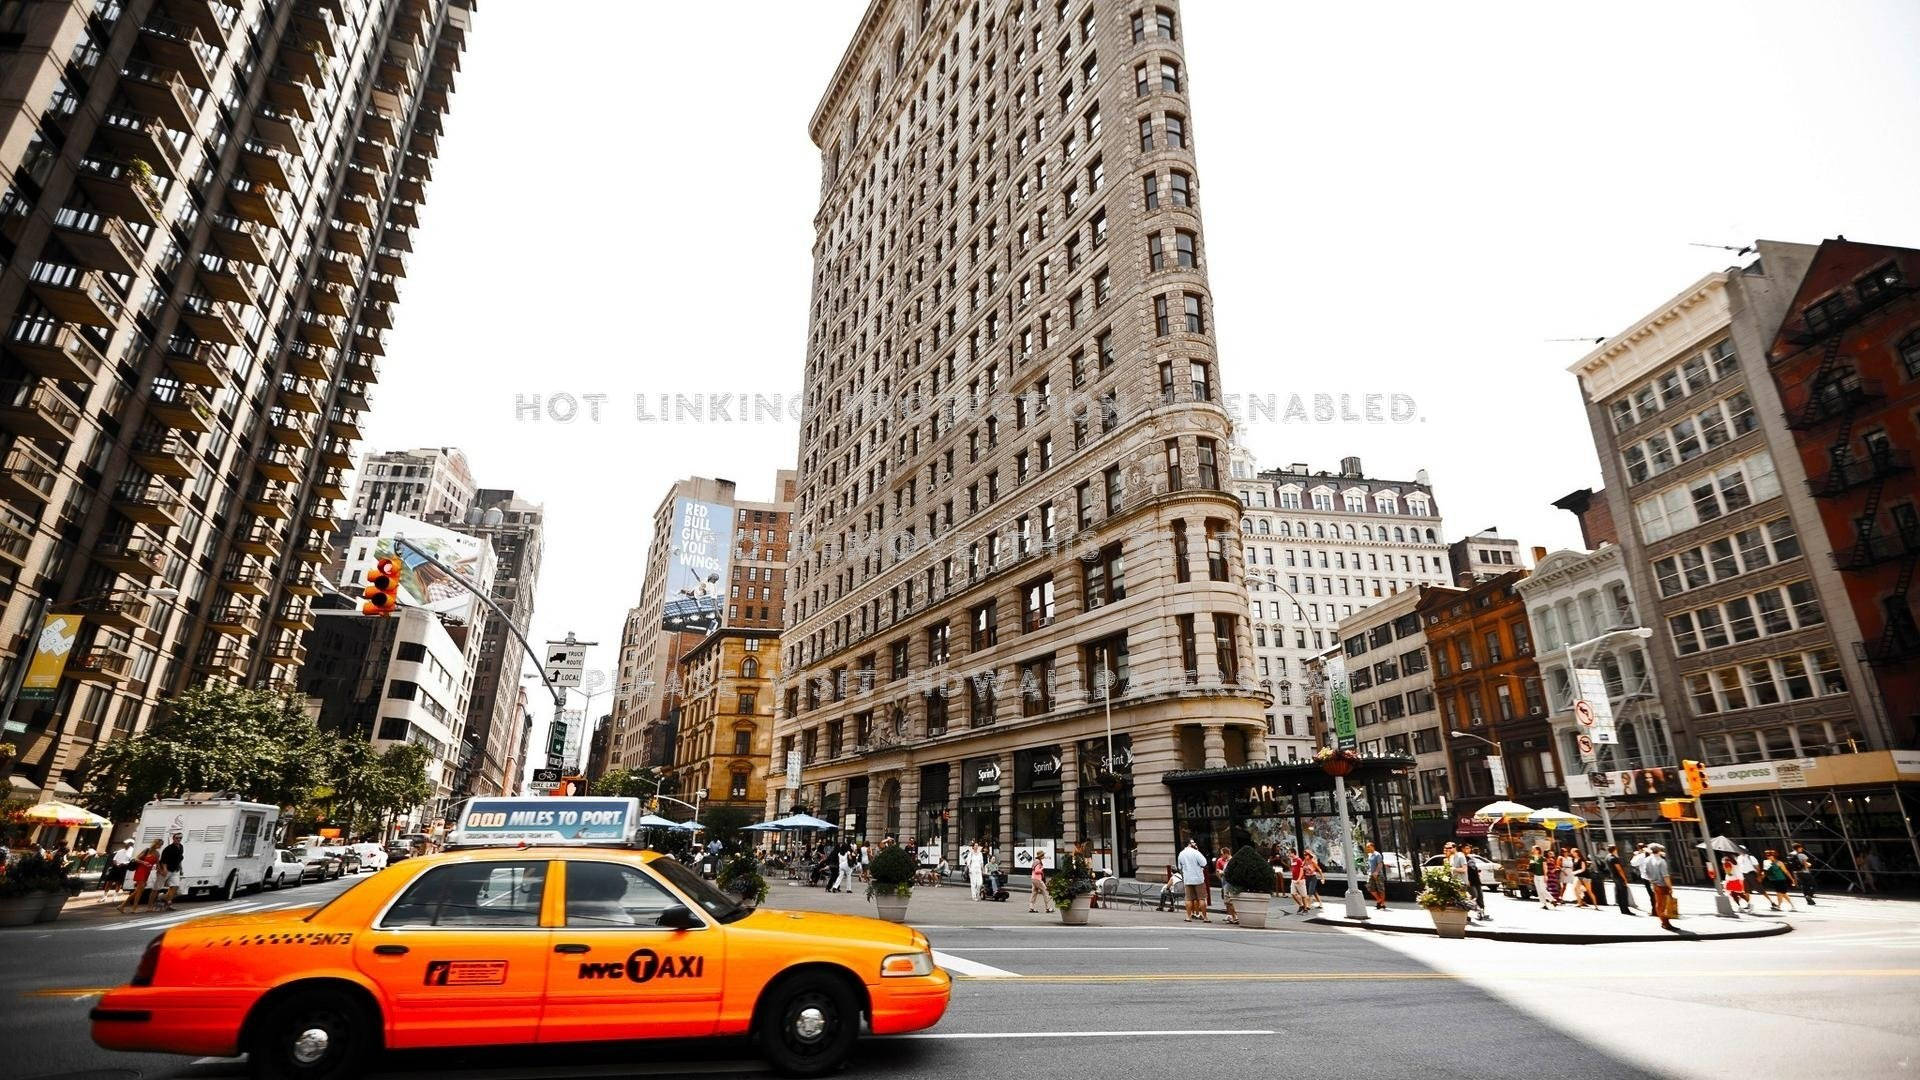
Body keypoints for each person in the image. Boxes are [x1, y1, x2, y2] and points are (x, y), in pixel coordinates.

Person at [119, 841, 161, 914]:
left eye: (161, 845)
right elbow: (136, 859)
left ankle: (122, 906)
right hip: (140, 870)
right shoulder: (147, 850)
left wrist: (159, 870)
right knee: (139, 891)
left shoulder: (157, 853)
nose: (160, 846)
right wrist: (144, 862)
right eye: (159, 844)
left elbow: (157, 864)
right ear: (155, 844)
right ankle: (134, 908)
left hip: (147, 872)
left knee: (138, 891)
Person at [1644, 842, 1676, 931]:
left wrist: (1652, 881)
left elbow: (1645, 874)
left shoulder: (1647, 860)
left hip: (1654, 885)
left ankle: (1664, 922)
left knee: (1659, 904)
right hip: (1663, 885)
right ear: (1659, 850)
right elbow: (1666, 876)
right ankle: (1666, 923)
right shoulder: (1661, 861)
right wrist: (1670, 887)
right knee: (1666, 905)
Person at [1177, 839, 1210, 923]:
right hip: (1198, 878)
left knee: (1188, 899)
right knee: (1201, 898)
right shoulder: (1196, 852)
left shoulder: (1181, 854)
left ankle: (1188, 917)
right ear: (1189, 844)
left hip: (1187, 879)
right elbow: (1204, 863)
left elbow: (1179, 867)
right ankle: (1205, 917)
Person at [157, 832, 184, 911]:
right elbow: (163, 860)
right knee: (157, 887)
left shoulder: (181, 847)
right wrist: (164, 869)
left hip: (175, 870)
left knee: (175, 886)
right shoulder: (169, 848)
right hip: (167, 869)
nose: (179, 839)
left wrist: (181, 869)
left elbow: (179, 859)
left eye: (180, 838)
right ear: (173, 838)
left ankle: (167, 903)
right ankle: (157, 900)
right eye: (177, 838)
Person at [1212, 848, 1237, 923]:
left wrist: (1222, 872)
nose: (1221, 856)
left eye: (1222, 854)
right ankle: (1233, 917)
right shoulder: (1225, 861)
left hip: (1228, 883)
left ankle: (1235, 917)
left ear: (1226, 853)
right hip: (1226, 883)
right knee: (1227, 901)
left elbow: (1229, 872)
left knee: (1229, 901)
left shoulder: (1231, 861)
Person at [1363, 842, 1388, 910]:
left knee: (1381, 889)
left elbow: (1380, 864)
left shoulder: (1377, 854)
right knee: (1369, 887)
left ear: (1372, 847)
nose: (1367, 848)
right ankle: (1379, 900)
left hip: (1378, 874)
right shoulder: (1369, 855)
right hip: (1371, 874)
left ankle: (1382, 904)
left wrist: (1376, 872)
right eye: (1367, 847)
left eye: (1368, 847)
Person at [1287, 849, 1310, 914]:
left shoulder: (1299, 860)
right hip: (1293, 880)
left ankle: (1305, 909)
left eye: (1289, 853)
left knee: (1303, 895)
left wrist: (1299, 879)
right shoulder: (1292, 860)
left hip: (1300, 880)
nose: (1288, 854)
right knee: (1293, 893)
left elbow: (1301, 870)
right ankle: (1301, 905)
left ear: (1293, 853)